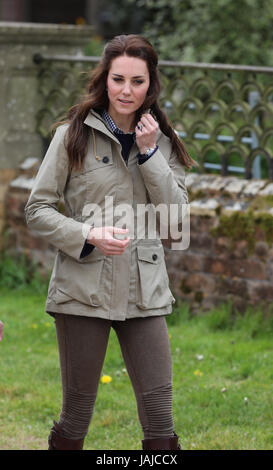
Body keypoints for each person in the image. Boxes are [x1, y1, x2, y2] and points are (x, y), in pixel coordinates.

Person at [25, 34, 195, 451]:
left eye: (137, 81)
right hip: (83, 288)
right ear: (105, 80)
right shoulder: (72, 135)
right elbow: (37, 210)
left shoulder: (164, 142)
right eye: (118, 79)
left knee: (161, 420)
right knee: (77, 414)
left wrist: (150, 153)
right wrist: (87, 234)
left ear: (150, 84)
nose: (126, 90)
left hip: (145, 291)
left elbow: (176, 222)